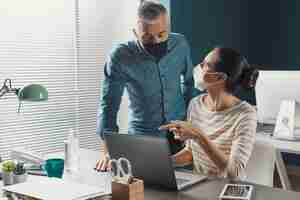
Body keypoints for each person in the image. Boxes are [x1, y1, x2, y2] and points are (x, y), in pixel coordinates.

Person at [95, 1, 199, 171]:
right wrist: (108, 151)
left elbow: (188, 83)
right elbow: (109, 105)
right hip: (143, 137)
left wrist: (190, 125)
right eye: (147, 37)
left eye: (161, 34)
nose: (156, 41)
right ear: (136, 33)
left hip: (180, 136)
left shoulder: (180, 44)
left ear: (168, 26)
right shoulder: (120, 56)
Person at [160, 47, 259, 179]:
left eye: (205, 64)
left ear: (219, 77)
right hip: (199, 185)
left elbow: (234, 173)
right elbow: (191, 153)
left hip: (227, 189)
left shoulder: (245, 115)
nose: (199, 67)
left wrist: (198, 136)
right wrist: (162, 163)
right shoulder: (195, 104)